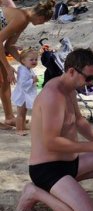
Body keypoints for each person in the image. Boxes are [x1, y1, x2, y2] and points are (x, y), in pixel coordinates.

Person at [16, 48, 93, 211]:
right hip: (47, 169)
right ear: (71, 71)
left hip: (70, 164)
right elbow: (50, 142)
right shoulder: (53, 95)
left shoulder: (70, 89)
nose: (91, 83)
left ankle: (66, 190)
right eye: (89, 78)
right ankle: (35, 192)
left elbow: (80, 121)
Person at [0, 0, 55, 130]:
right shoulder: (21, 18)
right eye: (44, 22)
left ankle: (9, 117)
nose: (42, 24)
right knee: (3, 75)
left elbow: (9, 46)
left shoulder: (24, 19)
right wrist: (8, 67)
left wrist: (25, 63)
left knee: (4, 81)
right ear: (41, 18)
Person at [11, 48, 38, 136]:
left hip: (25, 95)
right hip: (22, 95)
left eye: (36, 59)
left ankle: (23, 126)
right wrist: (32, 81)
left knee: (24, 111)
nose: (34, 61)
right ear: (23, 61)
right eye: (31, 60)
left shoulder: (28, 69)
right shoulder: (23, 71)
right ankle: (19, 129)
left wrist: (33, 79)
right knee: (20, 113)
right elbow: (23, 84)